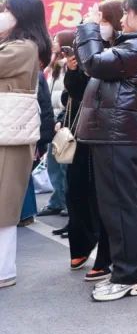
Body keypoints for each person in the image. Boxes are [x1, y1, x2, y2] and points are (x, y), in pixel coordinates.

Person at [74, 0, 137, 302]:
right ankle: (128, 273)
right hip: (114, 133)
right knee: (116, 206)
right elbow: (93, 65)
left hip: (118, 134)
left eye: (126, 14)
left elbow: (94, 63)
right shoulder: (134, 45)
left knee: (120, 207)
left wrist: (88, 28)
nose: (121, 20)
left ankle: (131, 276)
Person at [65, 0, 122, 281]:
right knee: (76, 189)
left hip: (110, 132)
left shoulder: (120, 52)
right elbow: (75, 93)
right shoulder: (90, 52)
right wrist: (73, 70)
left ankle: (106, 257)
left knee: (105, 197)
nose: (100, 26)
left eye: (103, 20)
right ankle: (81, 243)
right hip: (83, 130)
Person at [0, 0, 53, 289]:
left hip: (11, 136)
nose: (3, 15)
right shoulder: (18, 45)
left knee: (4, 205)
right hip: (8, 133)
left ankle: (3, 270)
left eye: (7, 10)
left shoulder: (23, 47)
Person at [38, 31, 74, 217]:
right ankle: (57, 200)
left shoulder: (69, 65)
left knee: (64, 164)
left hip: (63, 119)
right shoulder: (53, 65)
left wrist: (61, 117)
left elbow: (67, 94)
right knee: (53, 164)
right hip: (52, 118)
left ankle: (67, 202)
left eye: (56, 40)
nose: (53, 43)